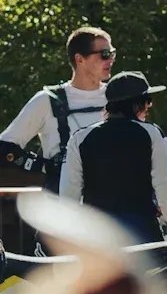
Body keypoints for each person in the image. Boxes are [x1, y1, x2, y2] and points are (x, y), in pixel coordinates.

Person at [61, 71, 167, 246]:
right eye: (147, 99)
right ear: (135, 104)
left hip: (96, 238)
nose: (149, 105)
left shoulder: (79, 138)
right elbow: (165, 186)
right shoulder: (152, 133)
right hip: (142, 235)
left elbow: (69, 194)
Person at [1, 26, 116, 192]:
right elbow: (5, 147)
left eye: (112, 54)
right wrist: (45, 167)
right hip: (64, 208)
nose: (110, 60)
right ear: (80, 59)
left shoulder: (117, 97)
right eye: (105, 55)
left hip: (112, 204)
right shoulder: (47, 100)